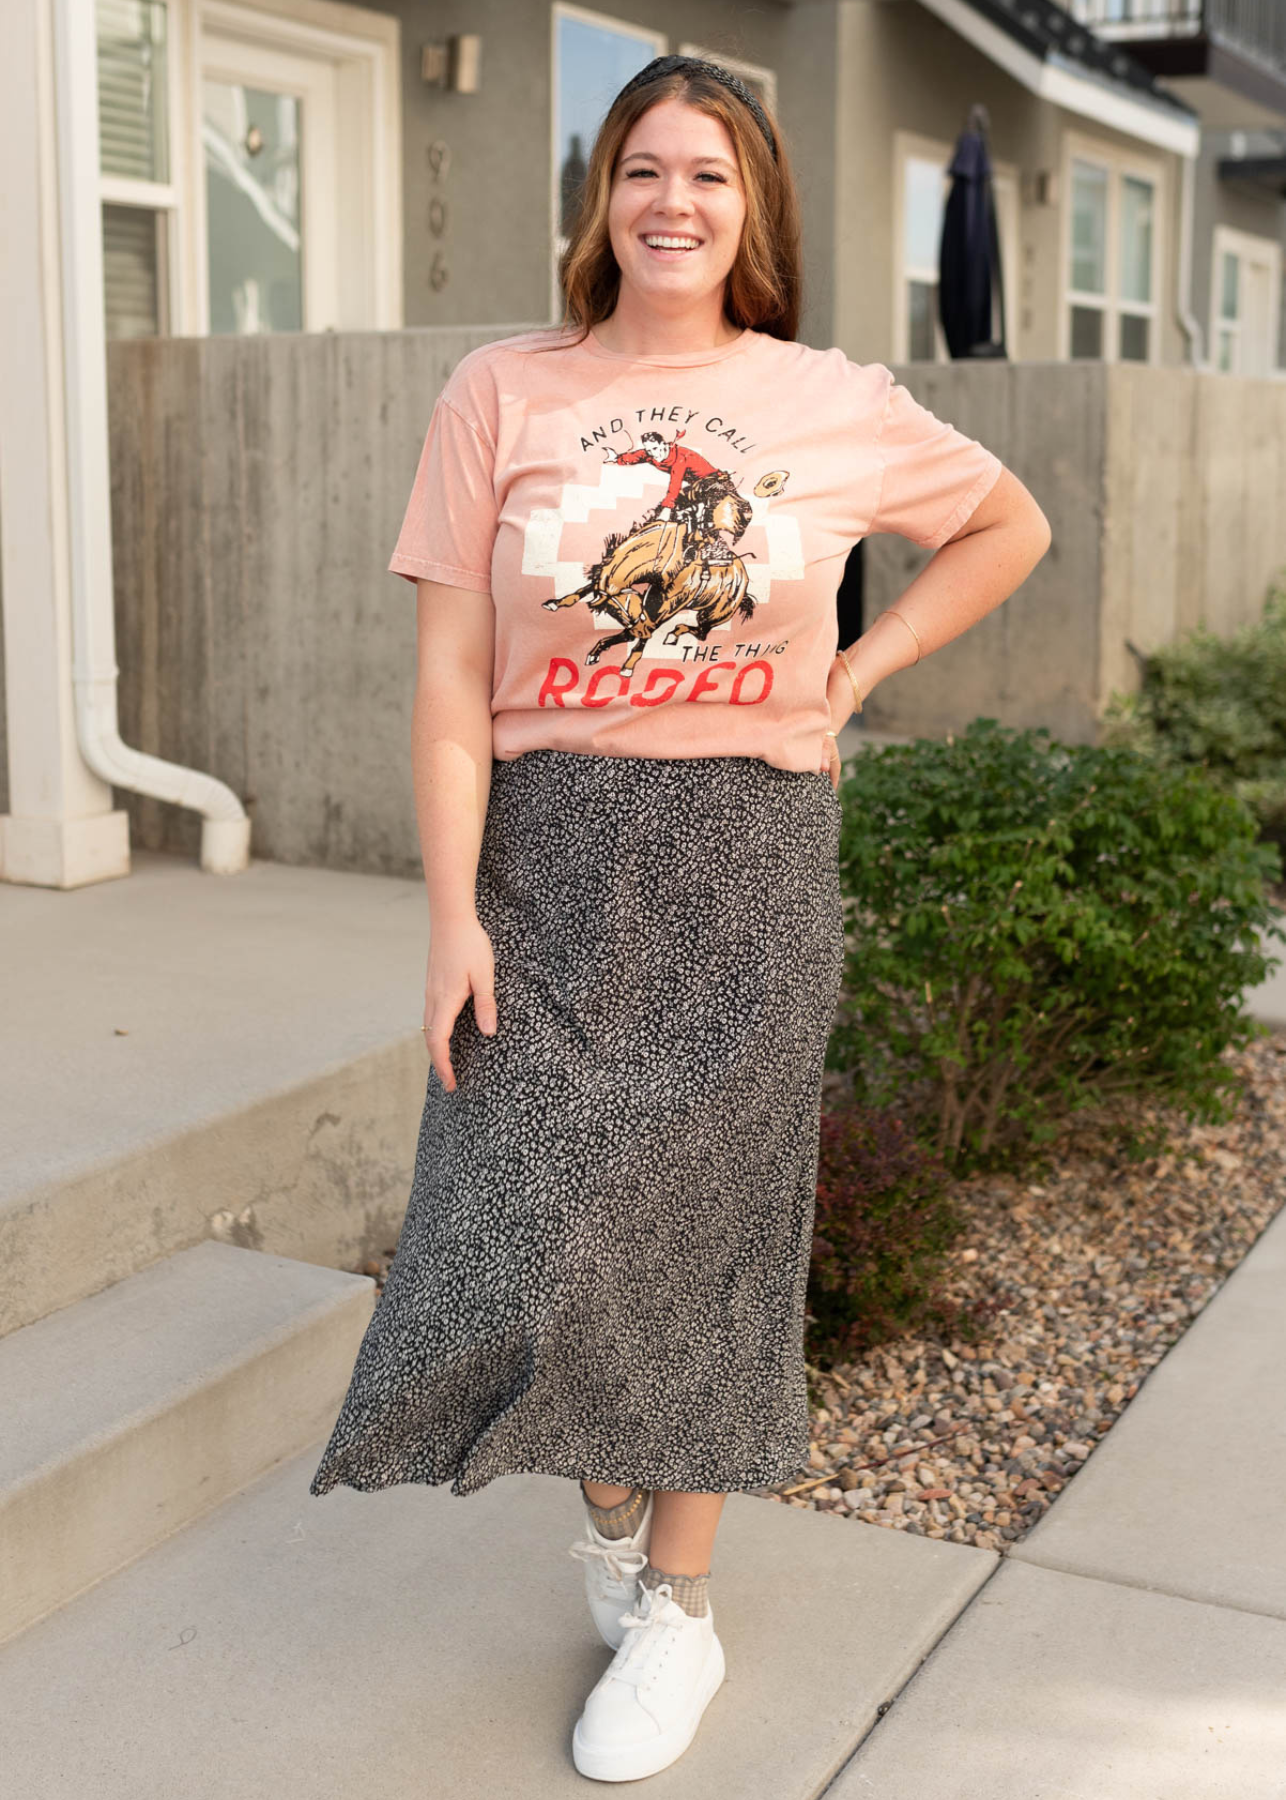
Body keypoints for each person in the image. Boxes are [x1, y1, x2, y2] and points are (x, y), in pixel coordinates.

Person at [307, 52, 1051, 1784]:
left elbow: (1004, 524)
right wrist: (448, 916)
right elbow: (441, 686)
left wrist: (860, 668)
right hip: (543, 851)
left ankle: (679, 1610)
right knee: (518, 1222)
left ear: (752, 210)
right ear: (601, 196)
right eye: (643, 168)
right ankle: (620, 1488)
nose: (671, 202)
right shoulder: (502, 391)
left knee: (711, 1231)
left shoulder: (826, 399)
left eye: (709, 176)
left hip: (746, 848)